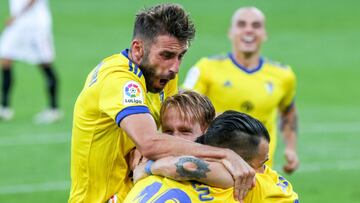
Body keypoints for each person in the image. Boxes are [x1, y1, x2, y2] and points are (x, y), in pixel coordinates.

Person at [69, 4, 254, 203]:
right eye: (166, 55)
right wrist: (224, 155)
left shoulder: (161, 75)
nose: (175, 67)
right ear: (138, 49)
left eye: (180, 56)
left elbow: (165, 133)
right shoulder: (118, 79)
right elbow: (150, 142)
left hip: (139, 192)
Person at [182, 7, 299, 173]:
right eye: (242, 24)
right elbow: (182, 106)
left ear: (264, 33)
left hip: (261, 172)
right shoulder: (206, 68)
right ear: (231, 32)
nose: (249, 30)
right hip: (215, 170)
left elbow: (288, 112)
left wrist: (291, 148)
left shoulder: (283, 75)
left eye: (256, 25)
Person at [124, 110, 299, 202]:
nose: (265, 171)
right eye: (261, 163)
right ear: (236, 163)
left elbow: (187, 166)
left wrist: (149, 167)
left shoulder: (149, 174)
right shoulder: (254, 185)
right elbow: (188, 166)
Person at [0, 0, 61, 123]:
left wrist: (16, 15)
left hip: (36, 26)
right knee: (5, 59)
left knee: (45, 64)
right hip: (18, 25)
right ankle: (5, 108)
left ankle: (54, 109)